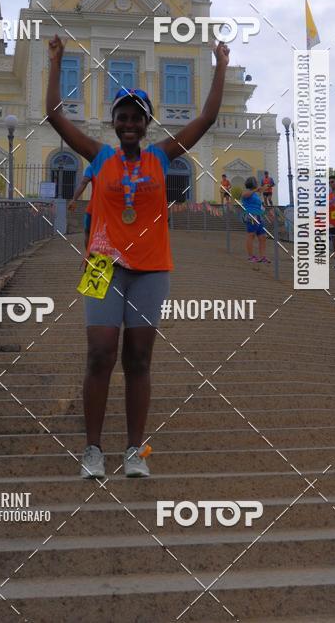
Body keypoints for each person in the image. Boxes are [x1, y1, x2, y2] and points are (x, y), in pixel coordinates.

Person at [46, 34, 229, 478]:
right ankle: (92, 449)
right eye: (123, 117)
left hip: (151, 267)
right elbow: (54, 115)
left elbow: (205, 118)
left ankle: (133, 451)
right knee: (99, 352)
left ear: (147, 124)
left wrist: (220, 63)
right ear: (114, 123)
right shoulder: (99, 155)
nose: (130, 124)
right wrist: (56, 61)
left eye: (137, 118)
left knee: (139, 359)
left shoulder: (162, 158)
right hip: (101, 265)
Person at [241, 176, 270, 263]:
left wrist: (264, 188)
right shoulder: (247, 192)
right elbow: (244, 195)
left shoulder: (255, 194)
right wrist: (256, 189)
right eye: (256, 182)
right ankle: (251, 256)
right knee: (251, 235)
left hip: (259, 215)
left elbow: (260, 200)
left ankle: (262, 256)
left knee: (262, 237)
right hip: (251, 215)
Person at [69, 167, 93, 251]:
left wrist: (74, 199)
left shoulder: (93, 166)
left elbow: (84, 182)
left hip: (94, 207)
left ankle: (89, 256)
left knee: (88, 232)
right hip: (111, 208)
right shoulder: (116, 164)